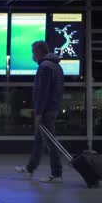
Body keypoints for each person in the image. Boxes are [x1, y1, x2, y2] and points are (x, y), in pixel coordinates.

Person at [15, 41, 64, 183]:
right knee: (39, 141)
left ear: (38, 52)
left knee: (50, 142)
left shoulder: (44, 67)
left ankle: (57, 174)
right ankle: (30, 169)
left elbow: (42, 92)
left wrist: (39, 113)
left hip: (45, 110)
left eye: (33, 52)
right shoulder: (56, 66)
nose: (32, 55)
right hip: (53, 107)